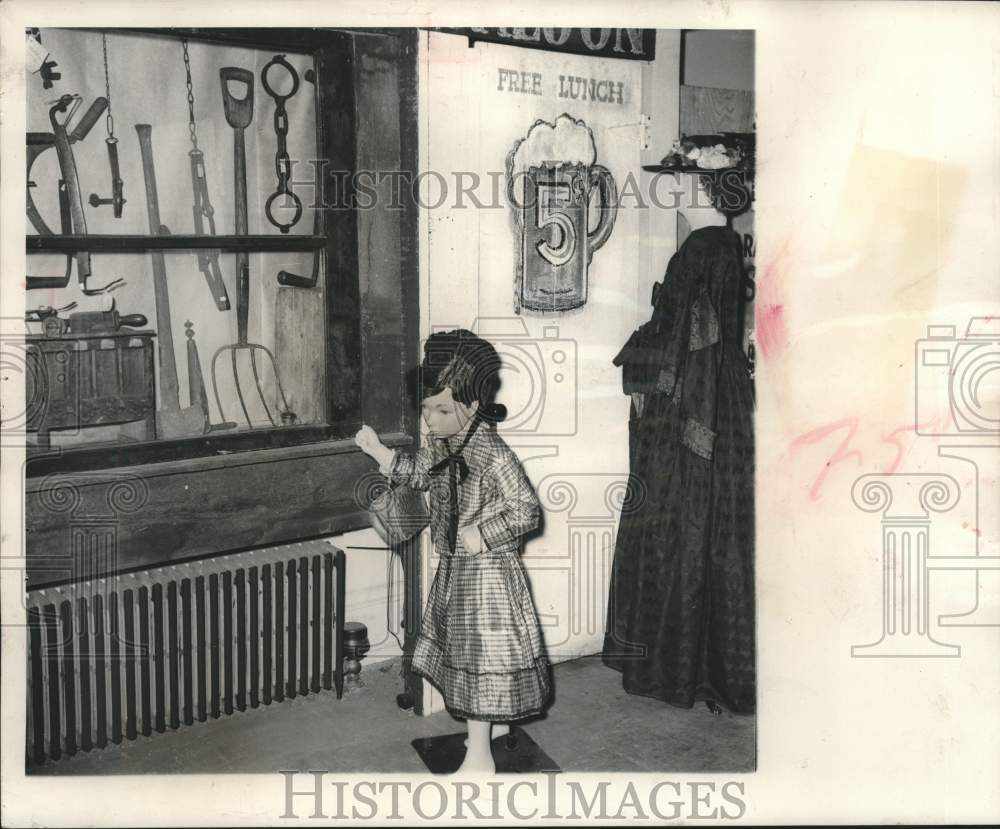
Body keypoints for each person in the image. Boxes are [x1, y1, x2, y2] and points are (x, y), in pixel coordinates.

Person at [355, 329, 551, 774]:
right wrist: (381, 453)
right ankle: (495, 728)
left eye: (442, 409)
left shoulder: (493, 454)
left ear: (474, 405)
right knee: (463, 655)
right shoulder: (442, 441)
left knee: (477, 659)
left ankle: (480, 757)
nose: (430, 419)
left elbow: (526, 511)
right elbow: (422, 472)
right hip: (456, 570)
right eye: (425, 409)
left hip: (487, 577)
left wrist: (484, 532)